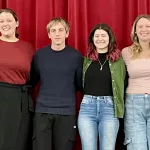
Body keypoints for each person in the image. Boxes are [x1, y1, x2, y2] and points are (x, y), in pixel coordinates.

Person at [30, 17, 83, 150]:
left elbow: (79, 83)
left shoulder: (76, 56)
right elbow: (33, 81)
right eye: (53, 31)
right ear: (49, 34)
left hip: (66, 112)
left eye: (60, 30)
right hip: (42, 111)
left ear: (67, 33)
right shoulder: (39, 55)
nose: (57, 34)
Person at [78, 23, 126, 150]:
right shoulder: (86, 60)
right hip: (87, 107)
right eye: (97, 36)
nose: (100, 39)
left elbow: (124, 83)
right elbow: (79, 83)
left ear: (110, 38)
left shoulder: (119, 61)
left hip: (110, 108)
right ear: (92, 39)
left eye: (103, 35)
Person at [0, 8, 34, 150]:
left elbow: (33, 75)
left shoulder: (27, 47)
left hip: (21, 99)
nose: (5, 24)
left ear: (17, 23)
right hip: (1, 96)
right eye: (1, 21)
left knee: (18, 141)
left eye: (9, 20)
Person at [122, 14, 150, 150]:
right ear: (135, 30)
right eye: (140, 26)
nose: (144, 29)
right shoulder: (126, 52)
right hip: (133, 104)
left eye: (148, 26)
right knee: (136, 146)